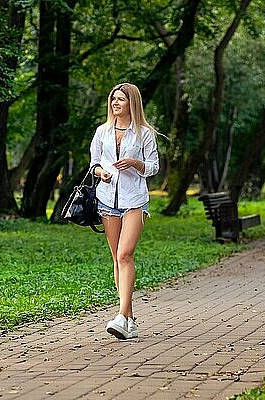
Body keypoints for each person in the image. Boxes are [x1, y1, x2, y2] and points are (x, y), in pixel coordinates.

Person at [89, 82, 159, 340]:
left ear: (132, 103)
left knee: (125, 254)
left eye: (121, 99)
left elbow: (153, 167)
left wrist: (135, 163)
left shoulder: (144, 133)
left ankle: (120, 316)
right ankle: (128, 319)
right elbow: (94, 163)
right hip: (107, 199)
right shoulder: (102, 131)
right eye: (113, 99)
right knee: (116, 258)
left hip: (134, 200)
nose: (115, 103)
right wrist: (102, 173)